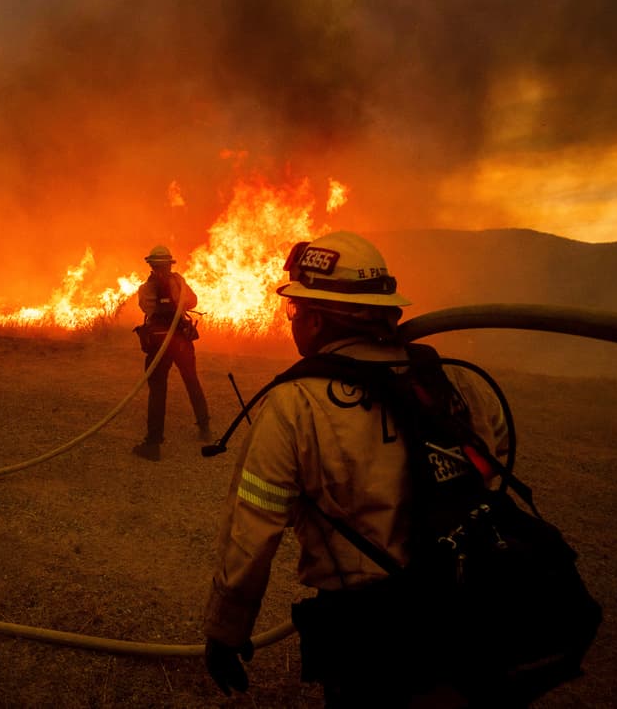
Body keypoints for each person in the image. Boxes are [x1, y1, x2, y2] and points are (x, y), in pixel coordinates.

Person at [201, 231, 510, 707]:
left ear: (317, 320)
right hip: (474, 606)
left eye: (294, 310)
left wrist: (227, 630)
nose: (292, 320)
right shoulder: (455, 381)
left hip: (371, 636)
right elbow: (497, 466)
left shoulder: (296, 404)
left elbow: (253, 529)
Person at [131, 245, 211, 461]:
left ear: (150, 265)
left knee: (157, 390)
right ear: (169, 264)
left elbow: (146, 309)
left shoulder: (145, 289)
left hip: (159, 342)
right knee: (192, 381)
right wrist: (177, 301)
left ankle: (153, 444)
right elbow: (192, 301)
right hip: (181, 339)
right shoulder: (179, 282)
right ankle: (205, 429)